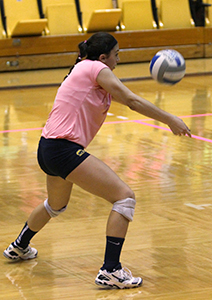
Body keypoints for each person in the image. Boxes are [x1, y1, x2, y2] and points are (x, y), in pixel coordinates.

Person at [3, 32, 191, 289]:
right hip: (63, 149)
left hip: (48, 148)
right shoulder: (95, 68)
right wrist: (170, 118)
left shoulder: (84, 68)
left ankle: (19, 246)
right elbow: (132, 101)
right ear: (104, 57)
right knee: (124, 197)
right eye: (116, 55)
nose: (118, 60)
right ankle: (110, 270)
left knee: (55, 205)